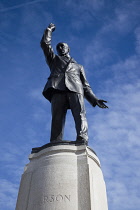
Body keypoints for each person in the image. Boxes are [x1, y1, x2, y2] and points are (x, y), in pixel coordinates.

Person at [40, 23, 108, 144]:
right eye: (58, 47)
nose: (60, 48)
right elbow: (45, 45)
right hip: (57, 88)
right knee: (57, 117)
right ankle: (55, 141)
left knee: (80, 114)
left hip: (76, 90)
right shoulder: (54, 60)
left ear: (68, 49)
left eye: (62, 46)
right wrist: (49, 30)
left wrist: (94, 99)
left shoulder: (79, 66)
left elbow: (85, 85)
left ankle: (82, 137)